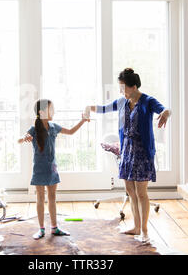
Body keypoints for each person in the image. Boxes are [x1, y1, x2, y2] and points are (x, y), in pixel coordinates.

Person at [86, 68, 171, 243]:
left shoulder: (147, 101)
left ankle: (145, 230)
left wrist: (166, 113)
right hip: (126, 152)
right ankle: (136, 227)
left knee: (141, 193)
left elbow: (165, 109)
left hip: (142, 153)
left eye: (123, 87)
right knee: (130, 191)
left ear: (133, 87)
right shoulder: (121, 102)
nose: (121, 91)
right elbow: (103, 108)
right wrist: (89, 107)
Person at [18, 99, 89, 240]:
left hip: (52, 168)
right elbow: (20, 140)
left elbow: (71, 131)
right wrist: (24, 138)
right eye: (51, 109)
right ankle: (41, 229)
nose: (54, 111)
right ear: (41, 112)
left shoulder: (53, 126)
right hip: (39, 168)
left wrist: (83, 121)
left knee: (52, 197)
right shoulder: (34, 129)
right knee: (40, 197)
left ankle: (54, 228)